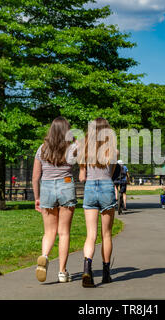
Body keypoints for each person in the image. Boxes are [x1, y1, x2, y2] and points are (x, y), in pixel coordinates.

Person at [32, 116, 78, 284]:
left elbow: (35, 177)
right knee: (64, 232)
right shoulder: (73, 147)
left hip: (47, 189)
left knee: (49, 232)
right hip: (66, 186)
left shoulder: (42, 149)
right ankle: (62, 272)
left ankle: (44, 256)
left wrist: (37, 197)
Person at [79, 118, 117, 288]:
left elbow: (82, 175)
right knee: (106, 234)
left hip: (90, 188)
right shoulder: (113, 150)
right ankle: (106, 273)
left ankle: (87, 267)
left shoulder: (84, 149)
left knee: (91, 234)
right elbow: (112, 173)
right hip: (106, 187)